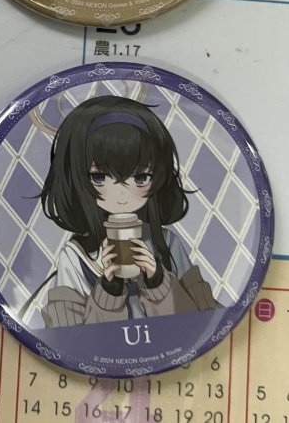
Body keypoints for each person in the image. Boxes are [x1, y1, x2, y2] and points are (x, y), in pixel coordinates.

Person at [39, 95, 220, 328]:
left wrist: (157, 282)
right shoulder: (75, 258)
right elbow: (68, 338)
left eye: (140, 178)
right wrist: (109, 291)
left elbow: (203, 321)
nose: (122, 194)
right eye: (99, 177)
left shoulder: (166, 244)